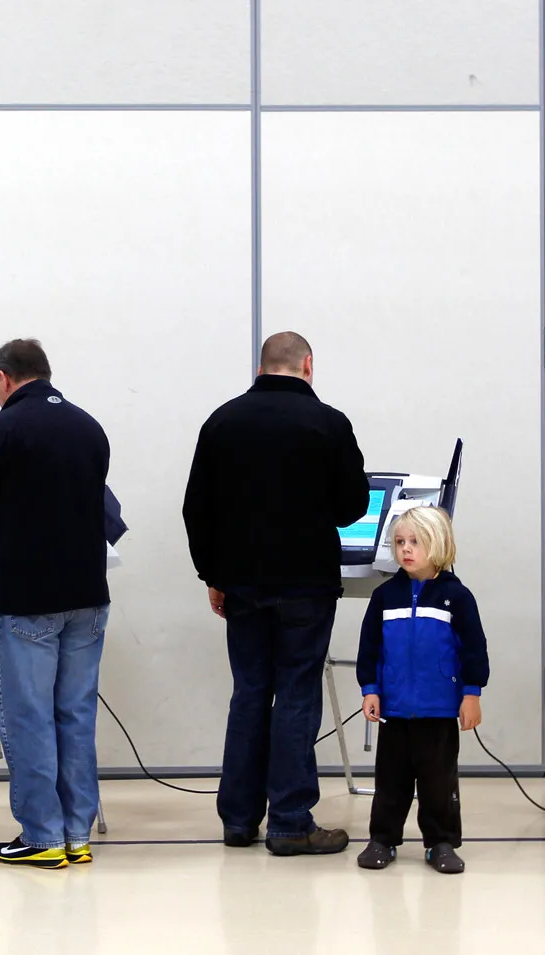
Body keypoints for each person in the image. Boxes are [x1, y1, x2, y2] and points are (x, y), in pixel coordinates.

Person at [182, 331, 369, 855]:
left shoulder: (222, 422)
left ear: (262, 365)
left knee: (248, 695)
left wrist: (212, 575)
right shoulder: (329, 423)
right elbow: (352, 505)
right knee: (296, 695)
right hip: (306, 583)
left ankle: (239, 820)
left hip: (241, 584)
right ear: (308, 364)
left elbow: (196, 508)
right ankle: (290, 822)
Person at [0, 339, 111, 870]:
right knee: (75, 713)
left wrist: (3, 544)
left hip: (29, 599)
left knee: (29, 716)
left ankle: (41, 836)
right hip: (88, 595)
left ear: (3, 379)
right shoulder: (90, 427)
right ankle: (76, 834)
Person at [353, 506, 488, 875]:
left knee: (438, 783)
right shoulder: (384, 596)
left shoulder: (457, 598)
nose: (406, 550)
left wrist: (471, 693)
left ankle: (440, 842)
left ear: (439, 545)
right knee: (390, 782)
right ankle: (382, 839)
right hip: (394, 711)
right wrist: (371, 688)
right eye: (400, 542)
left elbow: (474, 649)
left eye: (415, 542)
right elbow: (370, 648)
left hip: (439, 710)